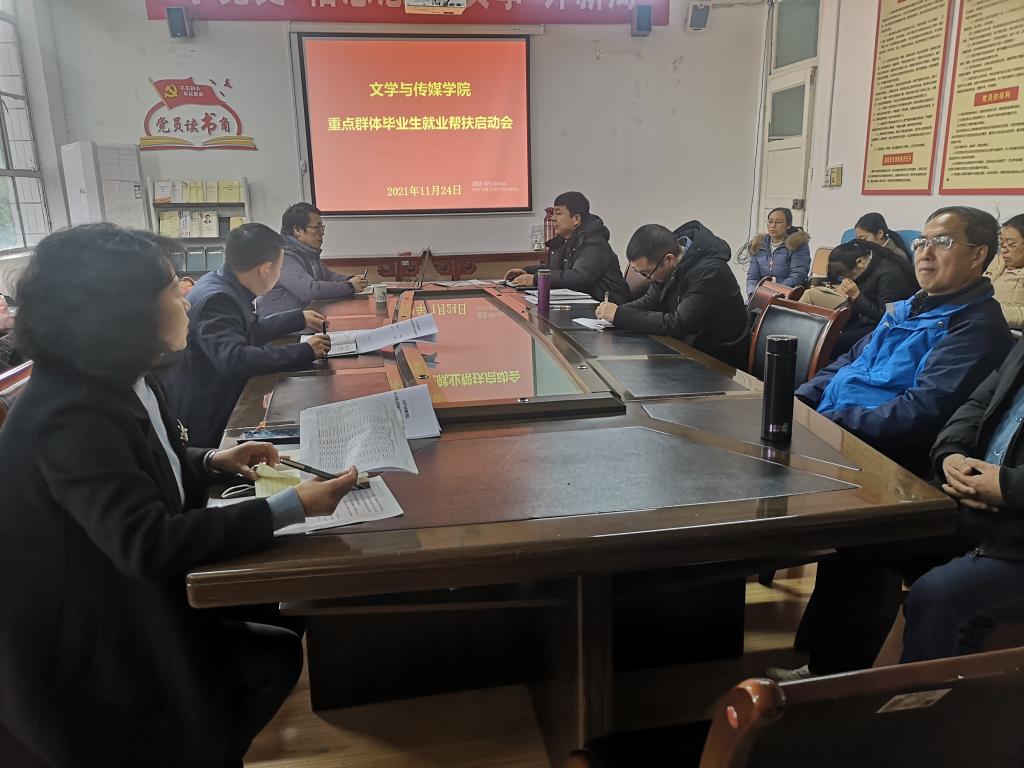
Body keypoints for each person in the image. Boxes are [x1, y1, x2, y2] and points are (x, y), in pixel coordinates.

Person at [0, 224, 359, 768]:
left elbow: (143, 463)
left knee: (281, 638)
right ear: (121, 313)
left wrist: (213, 459)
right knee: (264, 658)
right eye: (172, 289)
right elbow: (146, 542)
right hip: (91, 645)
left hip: (135, 601)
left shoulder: (123, 377)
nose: (187, 299)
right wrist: (293, 505)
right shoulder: (70, 413)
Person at [769, 206, 1014, 681]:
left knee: (859, 532)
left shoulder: (977, 327)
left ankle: (834, 675)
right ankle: (820, 658)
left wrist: (826, 425)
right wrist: (799, 403)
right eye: (922, 242)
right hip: (840, 436)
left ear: (979, 255)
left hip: (891, 459)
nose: (925, 253)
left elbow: (919, 414)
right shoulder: (909, 307)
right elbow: (848, 364)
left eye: (943, 242)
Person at [900, 336, 1024, 662]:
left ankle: (921, 695)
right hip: (975, 500)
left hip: (1016, 527)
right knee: (869, 532)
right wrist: (950, 455)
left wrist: (1007, 486)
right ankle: (838, 674)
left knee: (939, 596)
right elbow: (976, 405)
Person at [161, 222, 332, 448]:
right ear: (265, 270)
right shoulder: (218, 299)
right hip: (211, 416)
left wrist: (298, 318)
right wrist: (305, 351)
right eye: (280, 268)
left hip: (217, 396)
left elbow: (248, 329)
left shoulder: (220, 282)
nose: (280, 274)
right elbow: (235, 359)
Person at [594, 222, 749, 368]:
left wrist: (619, 315)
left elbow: (678, 324)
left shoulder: (710, 271)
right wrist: (615, 312)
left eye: (646, 273)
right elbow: (650, 301)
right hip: (686, 347)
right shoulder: (668, 264)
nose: (647, 278)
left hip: (716, 359)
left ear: (669, 259)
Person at [503, 191, 630, 304]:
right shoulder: (566, 241)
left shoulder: (595, 243)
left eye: (558, 214)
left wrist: (537, 279)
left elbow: (579, 277)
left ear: (576, 219)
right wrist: (527, 272)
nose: (553, 219)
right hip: (585, 306)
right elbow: (555, 269)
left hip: (607, 307)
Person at [800, 239, 919, 355]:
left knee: (827, 343)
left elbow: (889, 316)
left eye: (850, 275)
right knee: (820, 334)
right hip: (864, 317)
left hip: (884, 328)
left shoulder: (890, 274)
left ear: (860, 261)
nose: (848, 279)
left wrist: (857, 296)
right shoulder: (867, 266)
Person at [255, 202, 368, 317]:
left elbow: (328, 276)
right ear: (298, 230)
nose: (322, 233)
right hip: (280, 325)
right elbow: (309, 291)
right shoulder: (283, 256)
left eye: (322, 227)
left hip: (301, 318)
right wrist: (350, 286)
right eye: (316, 228)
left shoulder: (307, 252)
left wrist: (351, 279)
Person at [744, 207, 810, 296]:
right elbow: (752, 277)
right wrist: (752, 293)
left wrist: (774, 292)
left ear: (788, 225)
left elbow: (797, 275)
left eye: (778, 222)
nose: (773, 226)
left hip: (787, 295)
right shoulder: (758, 245)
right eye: (770, 221)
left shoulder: (797, 245)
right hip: (761, 294)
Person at [984, 214, 1024, 330]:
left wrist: (988, 311)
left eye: (1011, 245)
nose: (1003, 250)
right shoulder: (995, 261)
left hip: (1008, 333)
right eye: (1001, 244)